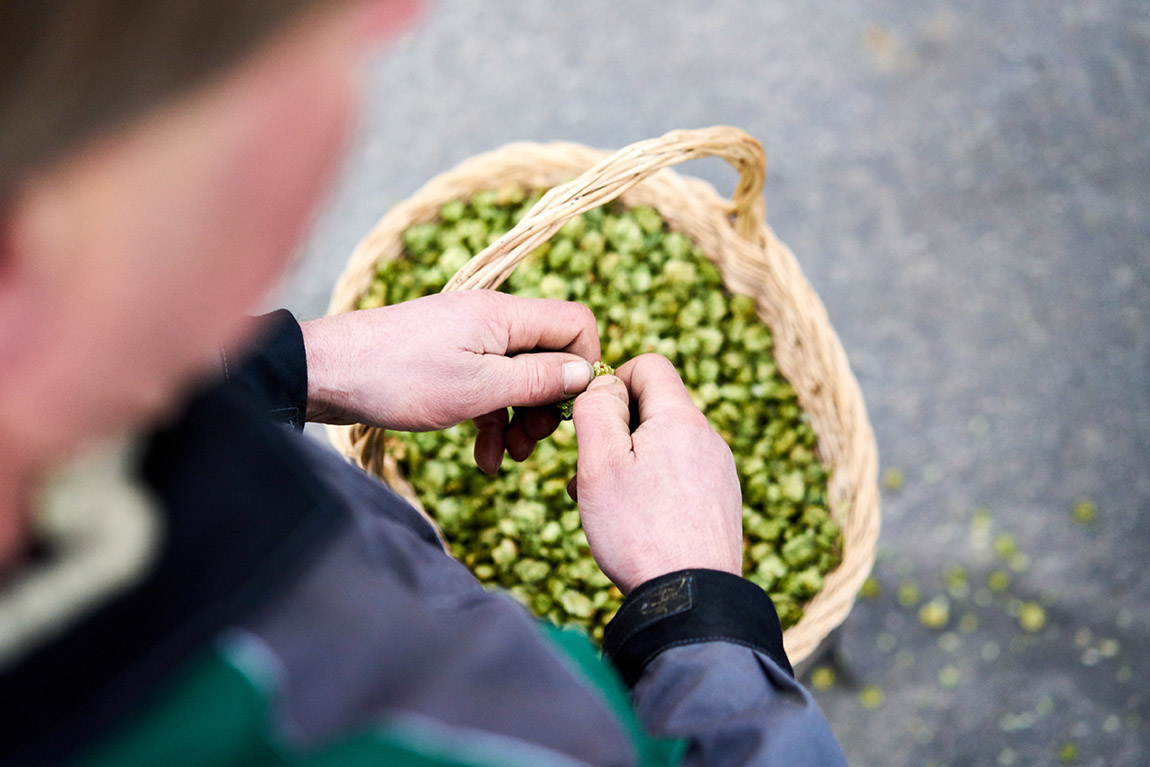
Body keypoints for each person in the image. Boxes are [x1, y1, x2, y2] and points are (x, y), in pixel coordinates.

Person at [0, 0, 848, 764]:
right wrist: (696, 601)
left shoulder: (80, 410)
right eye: (321, 55)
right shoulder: (421, 717)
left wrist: (306, 365)